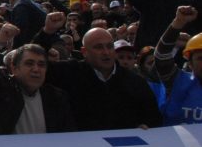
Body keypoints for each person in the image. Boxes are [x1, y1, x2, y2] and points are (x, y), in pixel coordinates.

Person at [34, 12, 162, 131]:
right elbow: (33, 63)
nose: (106, 52)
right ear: (84, 52)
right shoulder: (69, 73)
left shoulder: (135, 81)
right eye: (98, 47)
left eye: (109, 46)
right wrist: (48, 31)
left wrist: (145, 127)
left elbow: (153, 118)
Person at [0, 23, 75, 135]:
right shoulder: (1, 91)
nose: (36, 69)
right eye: (29, 63)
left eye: (41, 64)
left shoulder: (56, 97)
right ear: (14, 68)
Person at [154, 6, 202, 126]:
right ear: (189, 63)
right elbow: (161, 56)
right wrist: (178, 22)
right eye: (201, 58)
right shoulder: (176, 81)